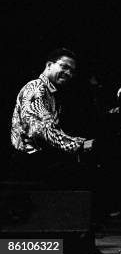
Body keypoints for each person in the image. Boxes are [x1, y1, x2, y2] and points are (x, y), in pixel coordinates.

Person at [9, 47, 95, 188]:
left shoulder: (53, 95)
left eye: (72, 71)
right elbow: (42, 131)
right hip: (28, 161)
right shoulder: (36, 88)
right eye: (64, 67)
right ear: (49, 65)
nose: (68, 73)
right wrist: (82, 145)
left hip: (40, 160)